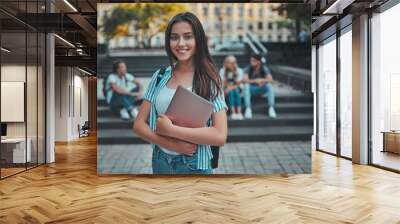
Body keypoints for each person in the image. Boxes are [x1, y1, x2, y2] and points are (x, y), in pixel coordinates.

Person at [133, 12, 228, 175]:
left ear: (198, 40)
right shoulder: (160, 76)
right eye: (174, 37)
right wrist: (170, 144)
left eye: (188, 37)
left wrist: (172, 131)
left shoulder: (210, 79)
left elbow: (219, 135)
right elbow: (139, 125)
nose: (180, 43)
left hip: (195, 164)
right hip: (160, 161)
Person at [242, 54, 277, 119]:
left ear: (259, 62)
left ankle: (271, 108)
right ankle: (248, 108)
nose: (251, 62)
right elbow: (244, 80)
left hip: (261, 89)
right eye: (251, 61)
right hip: (251, 89)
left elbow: (270, 79)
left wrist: (262, 80)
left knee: (269, 86)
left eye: (253, 61)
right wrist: (255, 81)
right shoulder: (248, 68)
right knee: (246, 86)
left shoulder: (264, 68)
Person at [219, 55, 244, 120]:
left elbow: (238, 84)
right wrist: (228, 88)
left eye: (232, 63)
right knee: (232, 92)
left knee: (235, 90)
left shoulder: (239, 70)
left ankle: (239, 112)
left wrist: (230, 88)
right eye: (228, 63)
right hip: (226, 88)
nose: (230, 64)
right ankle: (234, 112)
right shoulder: (222, 70)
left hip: (237, 88)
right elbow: (222, 83)